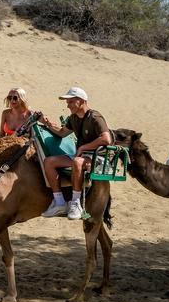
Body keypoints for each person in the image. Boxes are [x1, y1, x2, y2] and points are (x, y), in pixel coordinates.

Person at [39, 87, 113, 220]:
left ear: (81, 101)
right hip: (81, 155)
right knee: (49, 162)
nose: (67, 105)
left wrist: (84, 147)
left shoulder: (95, 117)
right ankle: (60, 202)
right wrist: (47, 123)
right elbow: (62, 132)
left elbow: (106, 139)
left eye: (70, 102)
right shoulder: (73, 118)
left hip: (98, 157)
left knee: (77, 162)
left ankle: (76, 203)